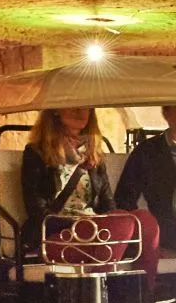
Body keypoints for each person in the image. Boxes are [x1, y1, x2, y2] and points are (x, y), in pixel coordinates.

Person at [20, 108, 161, 291]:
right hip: (58, 235)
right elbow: (36, 209)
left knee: (144, 220)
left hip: (95, 232)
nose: (81, 111)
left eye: (87, 106)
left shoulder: (93, 154)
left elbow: (108, 205)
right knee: (123, 221)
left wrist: (100, 224)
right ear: (55, 110)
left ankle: (145, 298)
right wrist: (81, 223)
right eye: (74, 104)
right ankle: (101, 295)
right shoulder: (37, 152)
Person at [114, 105, 176, 255]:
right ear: (166, 113)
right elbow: (124, 201)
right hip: (170, 244)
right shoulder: (147, 152)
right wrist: (149, 242)